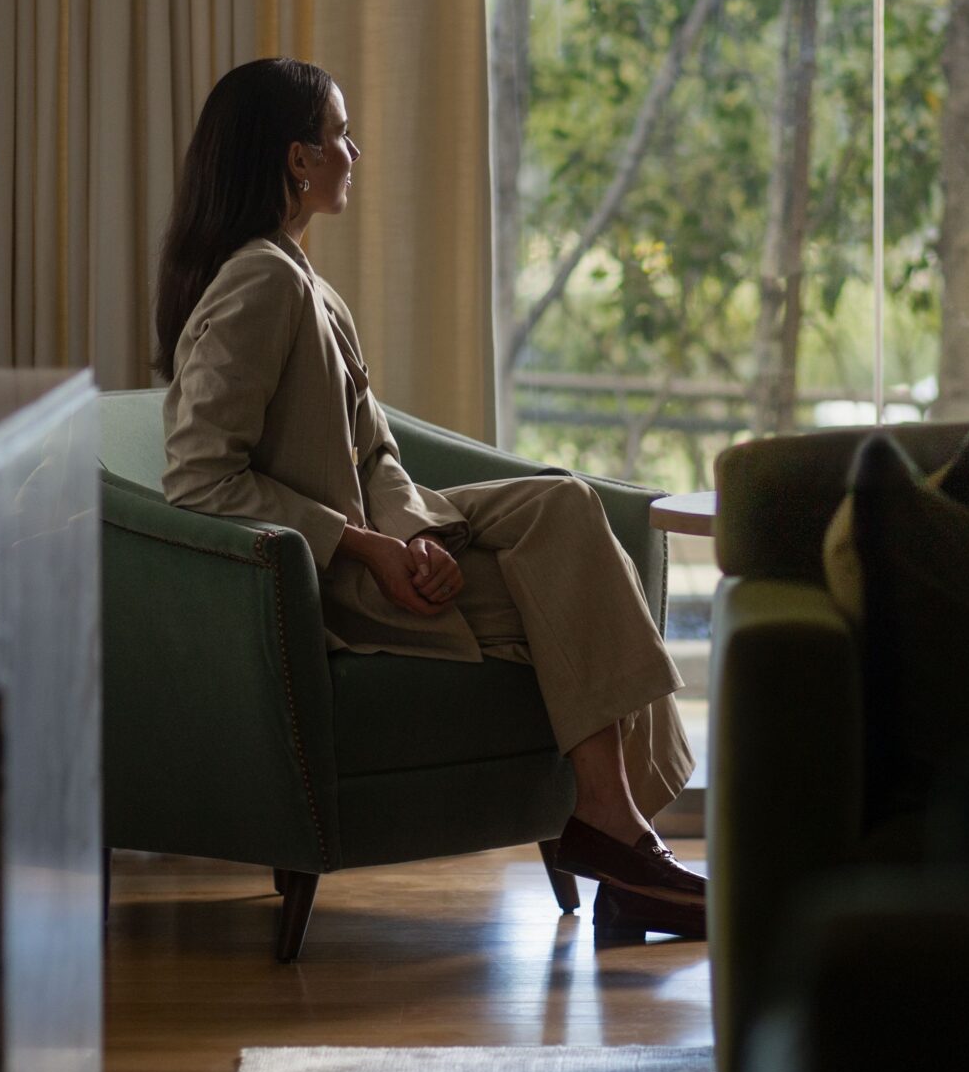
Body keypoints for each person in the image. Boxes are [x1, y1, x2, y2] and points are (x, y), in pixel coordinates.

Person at [154, 57, 704, 940]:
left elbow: (375, 451)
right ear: (298, 158)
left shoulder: (303, 280)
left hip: (378, 547)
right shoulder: (260, 281)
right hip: (320, 582)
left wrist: (414, 536)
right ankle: (619, 832)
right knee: (569, 583)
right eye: (339, 134)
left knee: (564, 506)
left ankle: (616, 828)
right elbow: (198, 476)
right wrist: (369, 551)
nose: (354, 150)